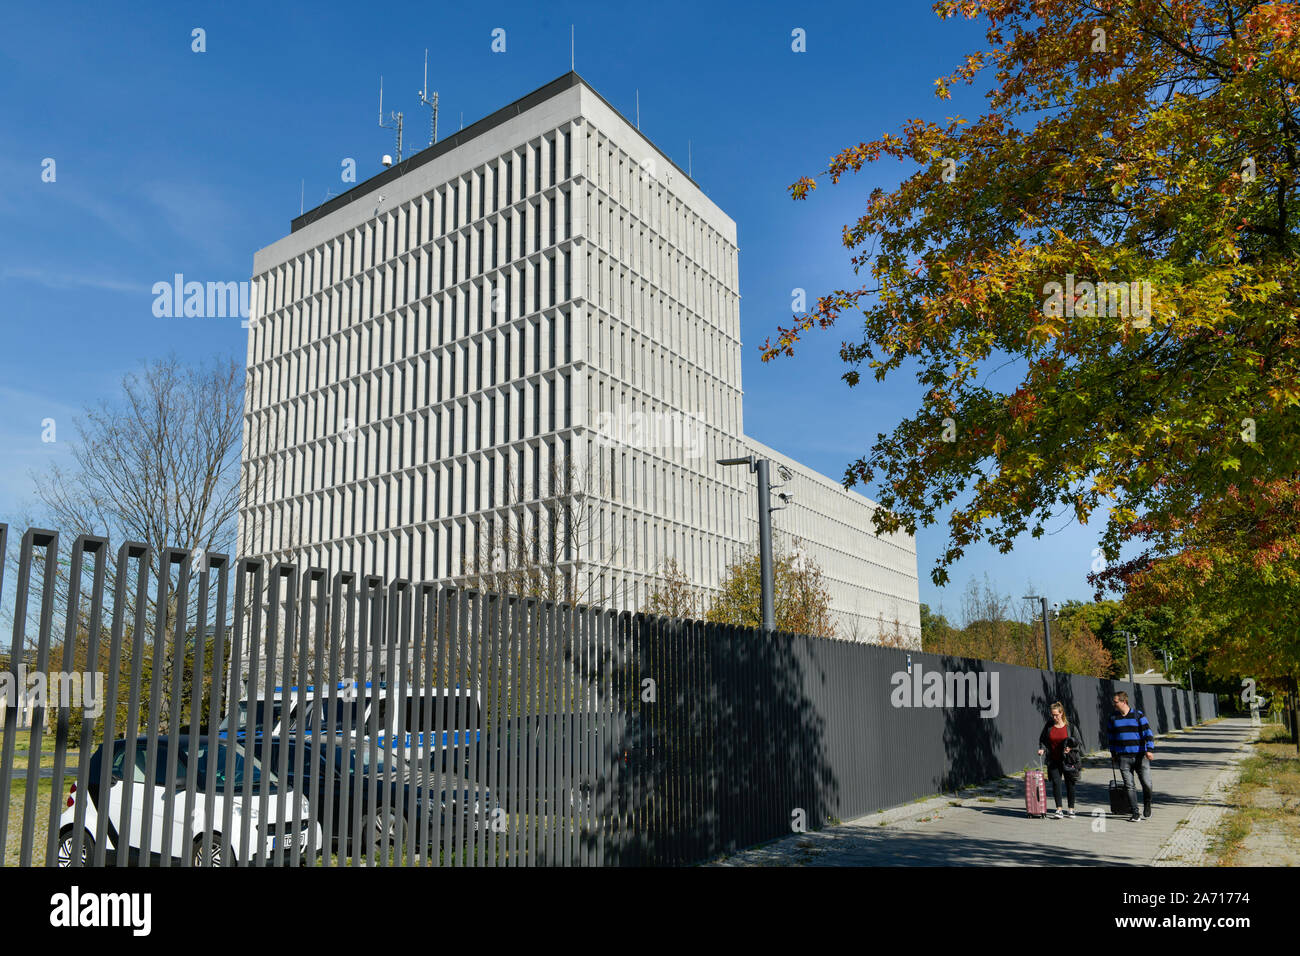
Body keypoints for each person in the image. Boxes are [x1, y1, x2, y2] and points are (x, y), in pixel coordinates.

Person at [1108, 690, 1155, 822]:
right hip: (1123, 757)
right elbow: (1111, 737)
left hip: (1140, 756)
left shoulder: (1138, 716)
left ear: (1124, 701)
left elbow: (1148, 734)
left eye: (1116, 702)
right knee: (1129, 785)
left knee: (1147, 784)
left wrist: (1149, 750)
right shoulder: (1113, 718)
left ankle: (1147, 802)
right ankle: (1135, 812)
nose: (1114, 704)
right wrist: (1113, 753)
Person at [1037, 702, 1082, 818]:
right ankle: (1059, 809)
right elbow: (1042, 740)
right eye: (1052, 715)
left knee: (1070, 784)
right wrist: (1042, 749)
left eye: (1056, 715)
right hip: (1053, 760)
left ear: (1061, 713)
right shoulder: (1049, 726)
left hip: (1068, 761)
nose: (1054, 717)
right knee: (1056, 784)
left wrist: (1070, 748)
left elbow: (1078, 742)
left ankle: (1071, 809)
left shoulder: (1070, 727)